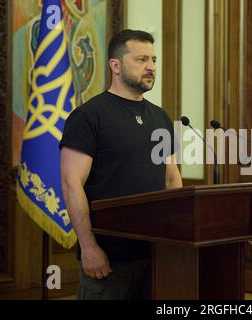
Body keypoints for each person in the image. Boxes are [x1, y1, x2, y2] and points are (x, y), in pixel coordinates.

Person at [59, 29, 182, 300]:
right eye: (141, 60)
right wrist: (89, 247)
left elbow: (172, 179)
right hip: (108, 256)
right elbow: (71, 184)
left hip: (155, 252)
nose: (151, 66)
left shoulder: (161, 117)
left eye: (153, 59)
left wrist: (176, 238)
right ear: (115, 65)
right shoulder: (88, 116)